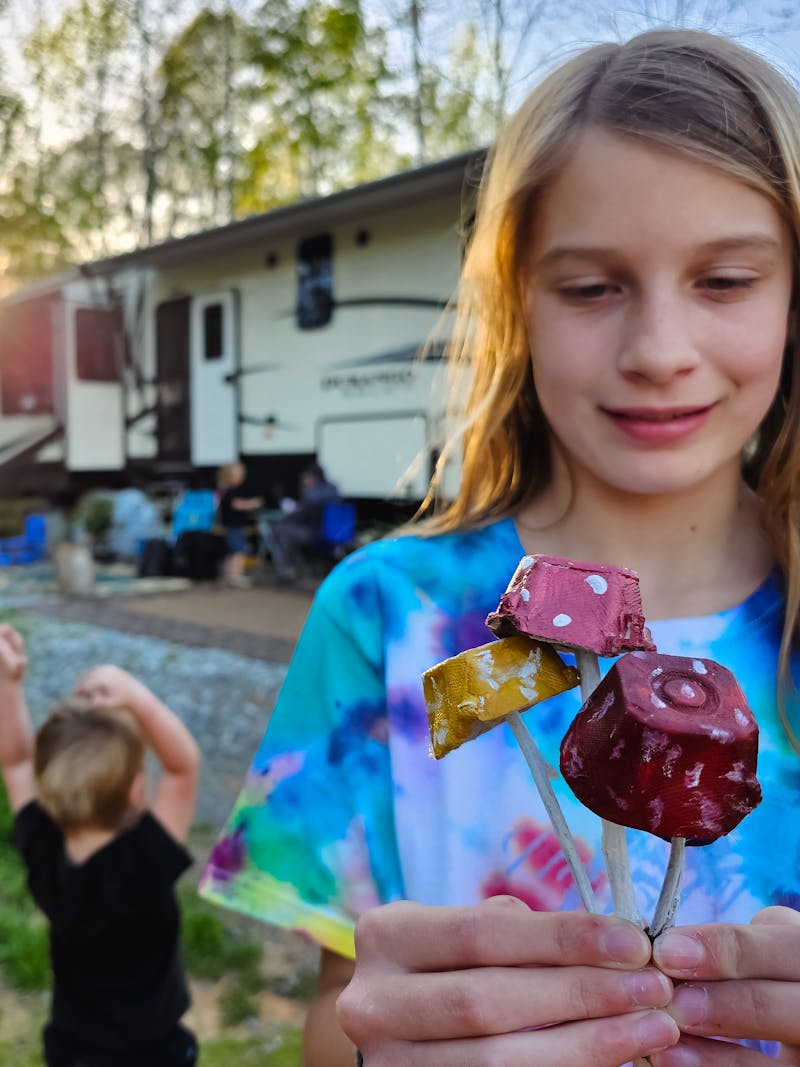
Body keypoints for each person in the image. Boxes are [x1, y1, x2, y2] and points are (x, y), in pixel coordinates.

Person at [200, 27, 800, 1066]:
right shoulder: (391, 620)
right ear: (515, 300)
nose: (657, 351)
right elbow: (344, 1002)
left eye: (724, 280)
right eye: (587, 287)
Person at [0, 625, 200, 1067]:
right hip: (152, 1053)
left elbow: (14, 762)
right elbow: (183, 768)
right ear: (134, 791)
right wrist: (137, 698)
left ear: (47, 787)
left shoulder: (44, 851)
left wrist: (6, 683)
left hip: (72, 1050)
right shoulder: (146, 861)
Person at [261, 462, 341, 580]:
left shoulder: (313, 493)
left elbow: (301, 516)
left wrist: (289, 514)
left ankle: (288, 568)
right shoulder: (332, 490)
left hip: (316, 534)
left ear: (312, 477)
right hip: (333, 533)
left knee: (279, 530)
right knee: (286, 531)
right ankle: (293, 566)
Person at [217, 462, 263, 587]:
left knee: (233, 551)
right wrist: (252, 503)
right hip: (234, 525)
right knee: (238, 551)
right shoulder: (231, 491)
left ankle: (230, 574)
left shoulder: (225, 490)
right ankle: (235, 575)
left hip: (231, 525)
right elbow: (236, 504)